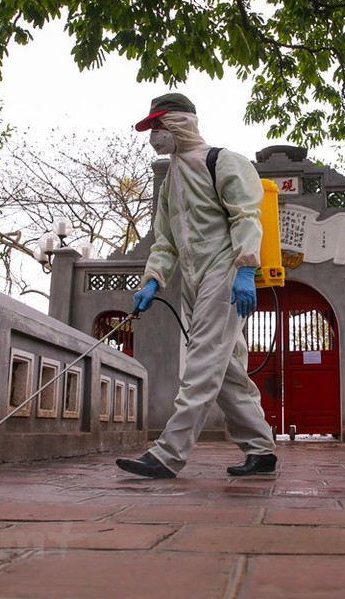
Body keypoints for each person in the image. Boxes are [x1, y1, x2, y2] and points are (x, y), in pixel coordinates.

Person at [115, 92, 278, 478]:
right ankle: (262, 449)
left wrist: (244, 269)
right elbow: (166, 240)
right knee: (228, 372)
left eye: (158, 125)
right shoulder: (172, 178)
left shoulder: (221, 161)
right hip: (193, 279)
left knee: (203, 362)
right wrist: (153, 279)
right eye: (151, 128)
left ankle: (168, 454)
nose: (154, 135)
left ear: (179, 123)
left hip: (225, 270)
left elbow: (245, 217)